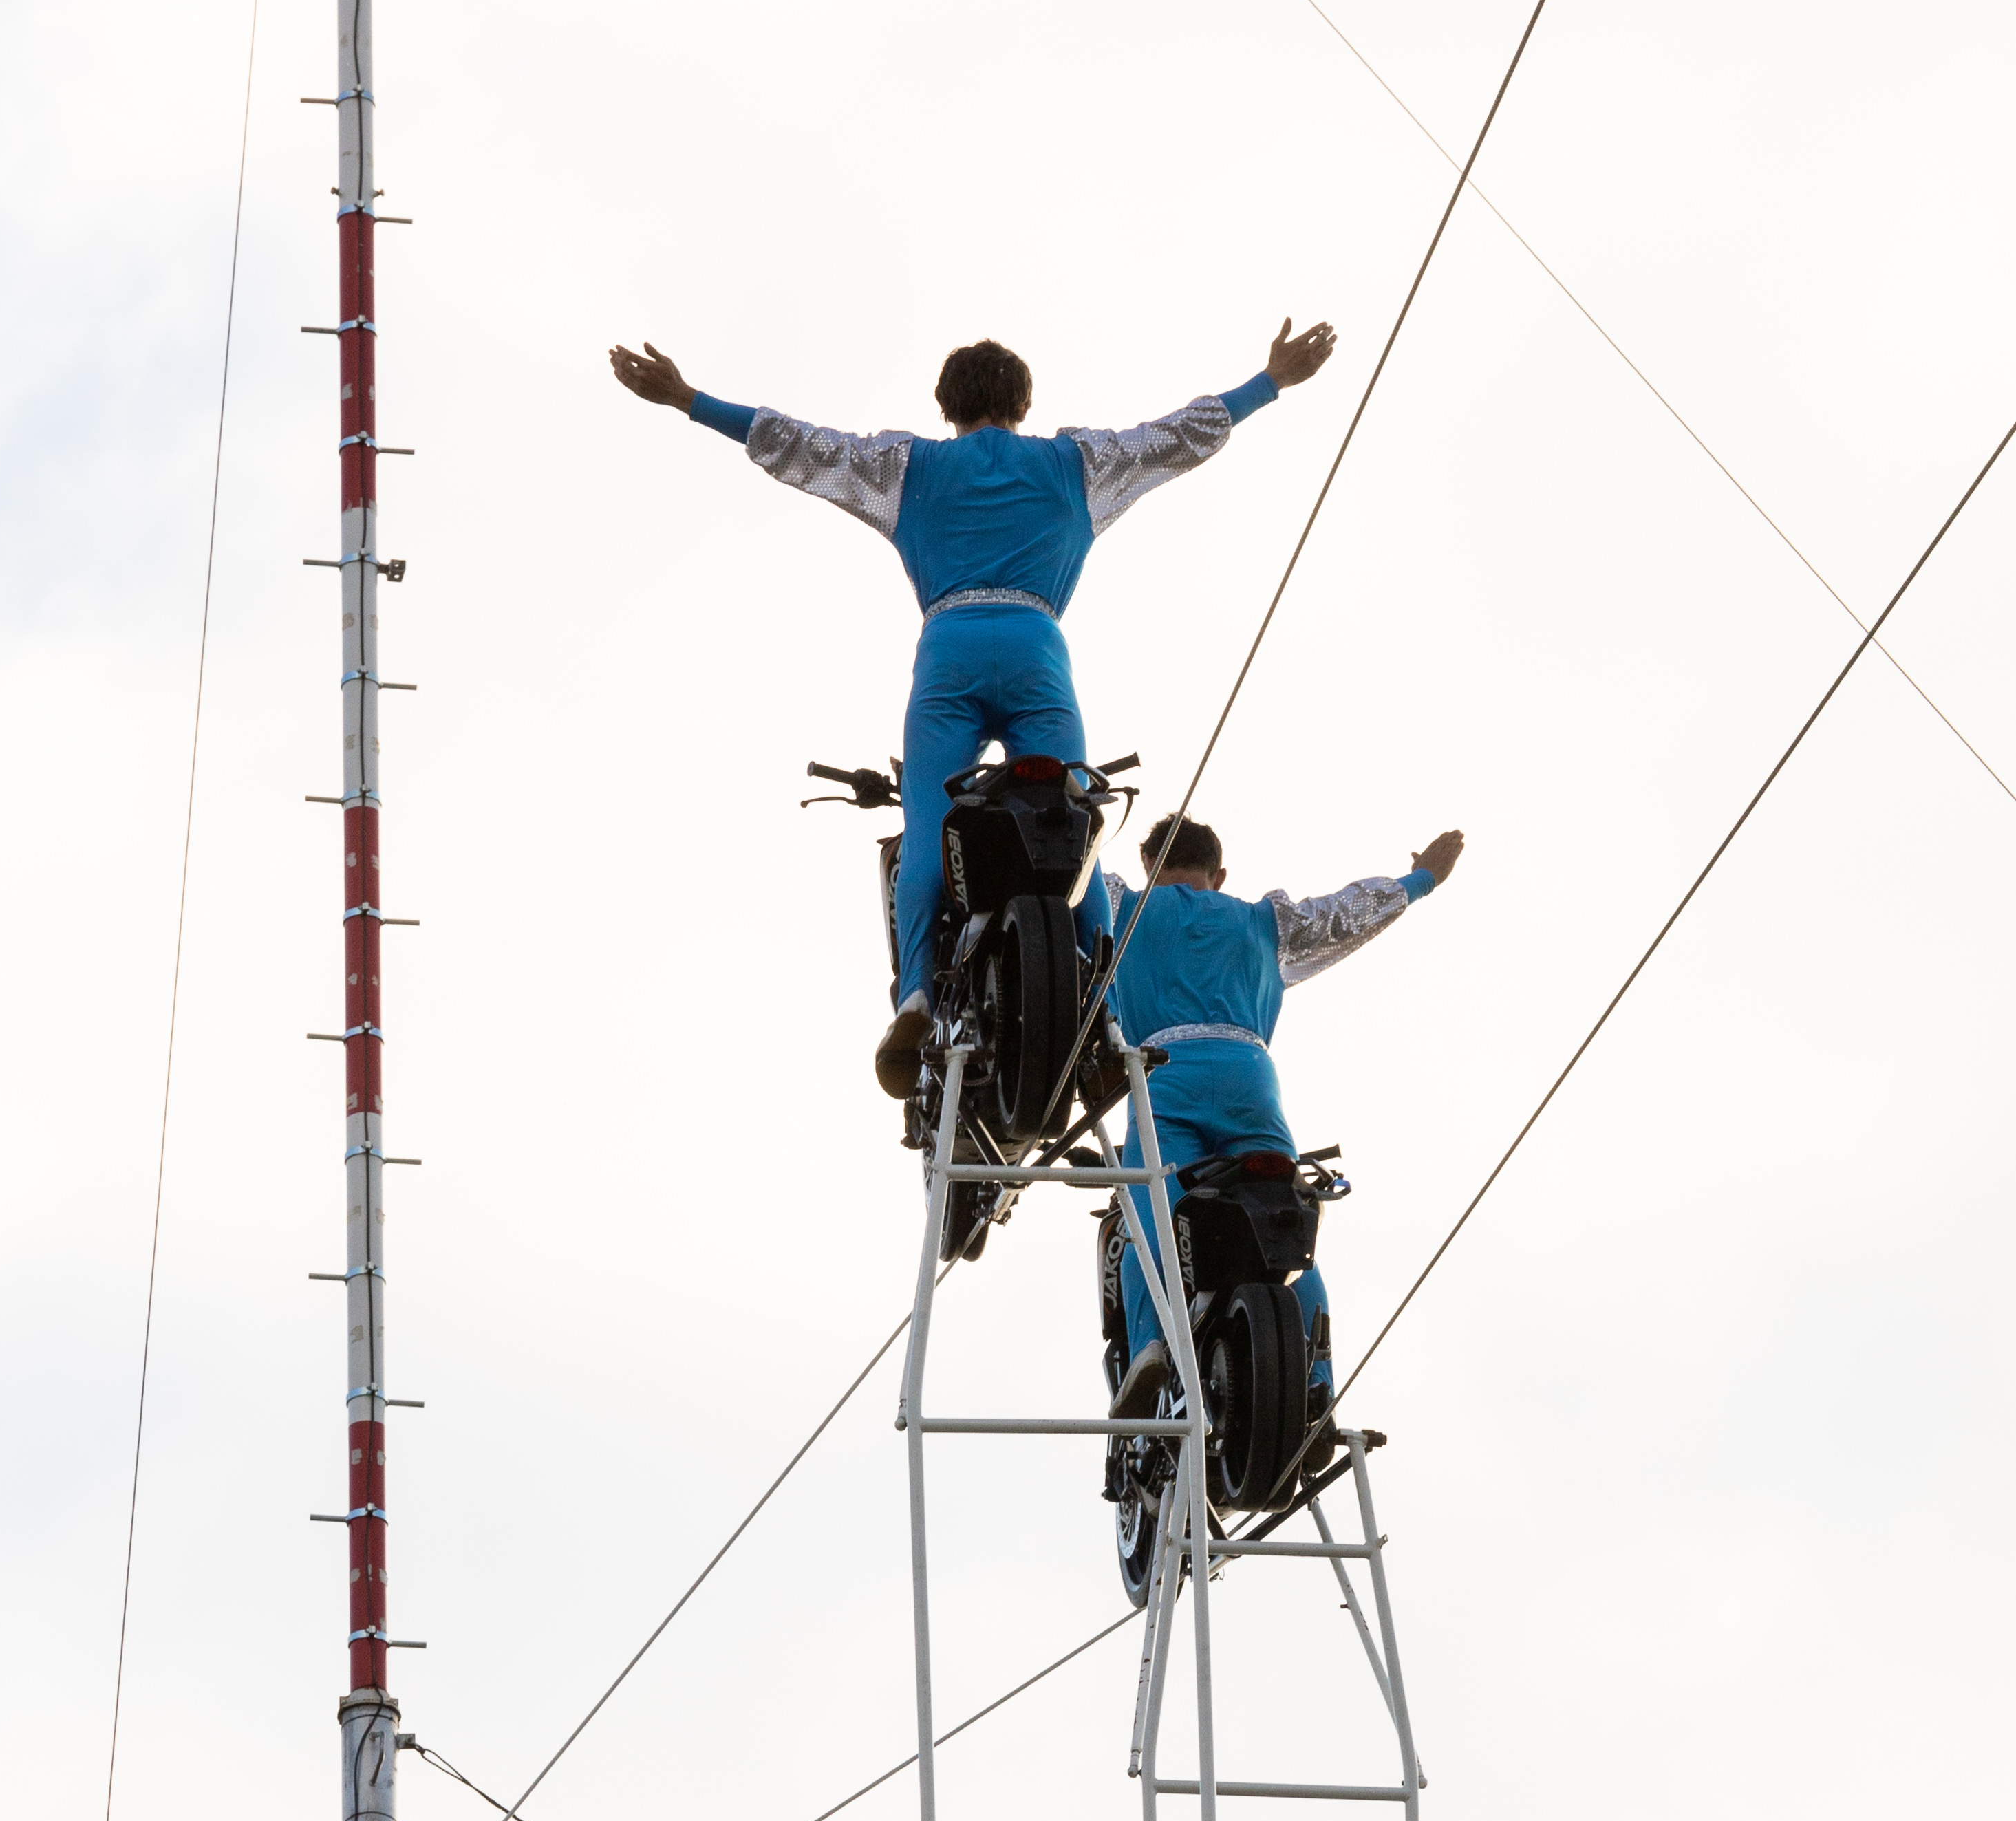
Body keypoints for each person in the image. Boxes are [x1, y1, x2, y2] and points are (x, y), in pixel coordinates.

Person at [608, 324, 1338, 1096]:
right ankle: (1103, 1010)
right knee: (1075, 824)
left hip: (948, 651)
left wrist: (688, 399)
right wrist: (1269, 382)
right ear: (1023, 403)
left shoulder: (907, 468)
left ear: (945, 406)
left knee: (930, 826)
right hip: (1035, 650)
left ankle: (916, 996)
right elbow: (1178, 437)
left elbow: (798, 445)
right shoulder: (1076, 464)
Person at [1099, 808, 1465, 1416]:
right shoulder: (1263, 922)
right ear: (1219, 873)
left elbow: (1073, 895)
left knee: (1151, 1212)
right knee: (1286, 1223)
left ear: (1148, 866)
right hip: (1249, 1078)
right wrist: (1420, 879)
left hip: (1163, 1075)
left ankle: (1149, 1349)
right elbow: (1345, 915)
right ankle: (1317, 1379)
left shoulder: (1123, 906)